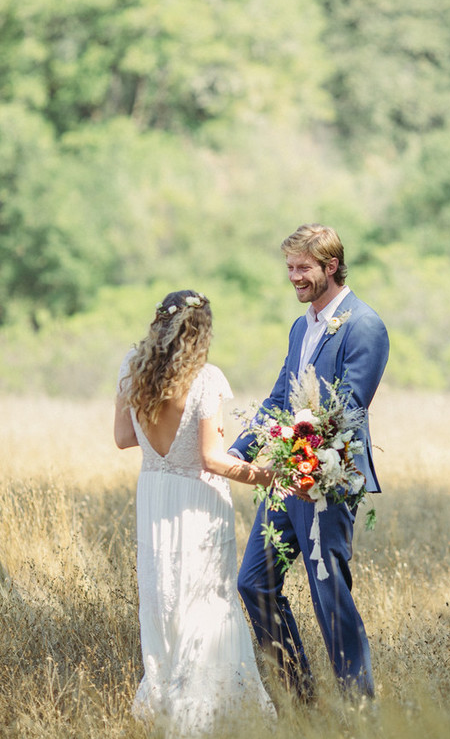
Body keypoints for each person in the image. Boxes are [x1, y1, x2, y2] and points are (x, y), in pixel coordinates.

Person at [230, 224, 389, 700]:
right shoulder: (302, 325)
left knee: (329, 595)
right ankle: (302, 699)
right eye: (290, 268)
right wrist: (242, 448)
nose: (295, 277)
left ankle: (359, 706)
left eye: (304, 268)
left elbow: (347, 407)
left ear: (331, 266)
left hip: (328, 479)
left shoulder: (364, 325)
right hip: (286, 478)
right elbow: (282, 395)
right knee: (254, 582)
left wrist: (299, 455)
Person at [114, 289, 276, 736]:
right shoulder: (205, 380)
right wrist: (268, 475)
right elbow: (213, 459)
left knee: (164, 593)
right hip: (198, 500)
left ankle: (167, 695)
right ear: (200, 332)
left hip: (155, 494)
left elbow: (124, 439)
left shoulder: (132, 370)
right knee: (206, 598)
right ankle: (205, 709)